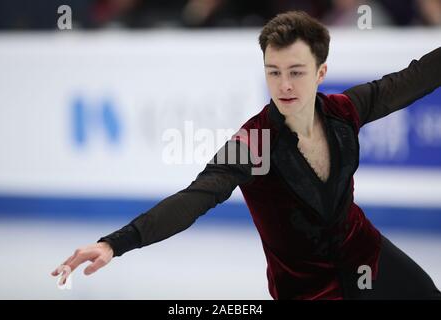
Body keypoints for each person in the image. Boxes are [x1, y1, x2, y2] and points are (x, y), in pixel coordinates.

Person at [52, 11, 441, 300]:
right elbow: (195, 198)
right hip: (307, 290)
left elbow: (415, 77)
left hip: (365, 254)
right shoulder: (254, 143)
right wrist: (115, 243)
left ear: (321, 72)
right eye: (273, 72)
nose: (284, 85)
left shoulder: (345, 110)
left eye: (296, 72)